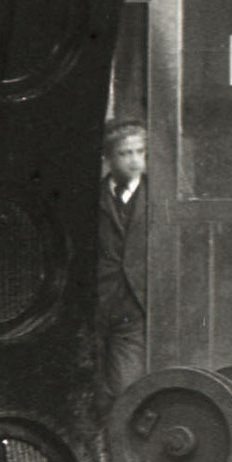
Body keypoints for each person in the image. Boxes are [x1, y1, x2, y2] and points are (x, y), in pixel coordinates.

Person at [98, 120, 149, 397]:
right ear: (107, 158)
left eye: (140, 152)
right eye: (125, 153)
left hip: (135, 305)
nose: (135, 161)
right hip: (97, 302)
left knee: (126, 386)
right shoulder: (94, 196)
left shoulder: (156, 196)